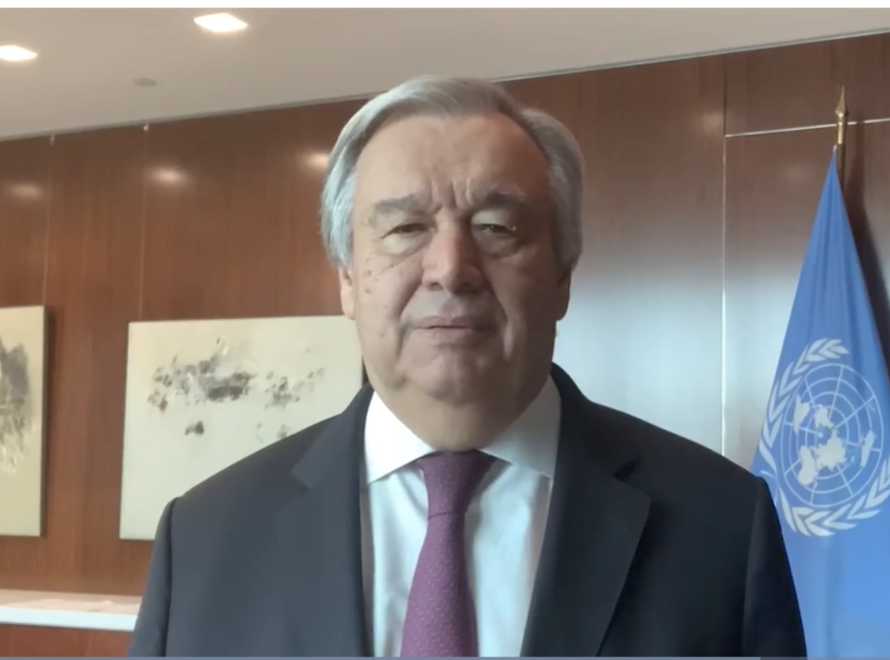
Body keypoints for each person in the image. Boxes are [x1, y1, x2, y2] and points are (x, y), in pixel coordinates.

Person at [128, 75, 806, 657]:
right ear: (347, 279)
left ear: (562, 273)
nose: (451, 268)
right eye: (404, 229)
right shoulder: (207, 538)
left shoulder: (719, 524)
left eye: (496, 228)